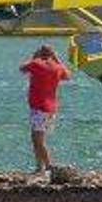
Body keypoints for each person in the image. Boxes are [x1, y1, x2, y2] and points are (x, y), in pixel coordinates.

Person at [19, 45, 71, 176]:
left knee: (38, 139)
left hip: (39, 107)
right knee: (36, 137)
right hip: (50, 108)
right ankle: (39, 167)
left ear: (41, 53)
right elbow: (67, 76)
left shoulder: (36, 64)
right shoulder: (57, 67)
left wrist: (34, 57)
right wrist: (57, 58)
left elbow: (22, 68)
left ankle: (48, 166)